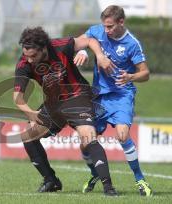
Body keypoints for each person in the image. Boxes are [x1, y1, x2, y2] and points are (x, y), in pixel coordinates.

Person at [13, 26, 118, 196]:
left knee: (88, 136)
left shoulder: (61, 45)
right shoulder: (24, 64)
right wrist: (31, 113)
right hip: (54, 104)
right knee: (29, 137)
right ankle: (51, 181)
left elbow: (90, 40)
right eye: (26, 55)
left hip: (78, 96)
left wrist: (99, 56)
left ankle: (109, 188)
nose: (30, 60)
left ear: (44, 48)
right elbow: (17, 98)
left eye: (33, 56)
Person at [73, 5, 152, 196]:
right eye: (104, 26)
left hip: (121, 94)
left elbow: (146, 73)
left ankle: (140, 179)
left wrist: (131, 77)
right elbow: (84, 41)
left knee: (123, 135)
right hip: (99, 95)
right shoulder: (98, 30)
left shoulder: (132, 44)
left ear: (121, 22)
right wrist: (83, 52)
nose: (106, 30)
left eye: (110, 27)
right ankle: (95, 174)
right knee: (85, 141)